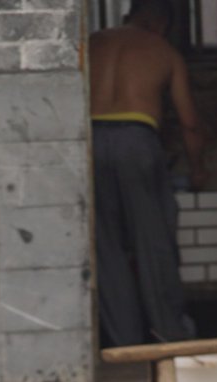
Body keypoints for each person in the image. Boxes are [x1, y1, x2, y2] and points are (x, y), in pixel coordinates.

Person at [88, 0, 206, 349]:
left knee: (106, 248)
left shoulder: (92, 42)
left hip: (88, 141)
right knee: (154, 242)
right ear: (161, 23)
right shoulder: (164, 52)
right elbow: (190, 123)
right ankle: (170, 333)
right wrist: (198, 168)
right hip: (138, 142)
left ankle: (124, 341)